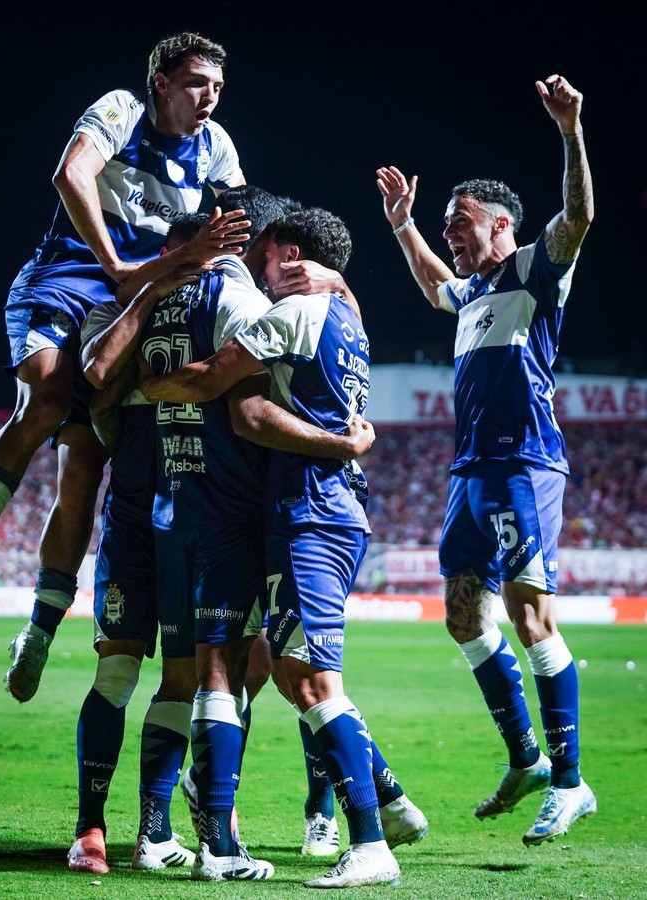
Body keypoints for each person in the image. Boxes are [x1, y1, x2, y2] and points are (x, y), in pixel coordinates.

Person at [0, 32, 247, 707]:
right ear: (161, 81)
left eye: (217, 87)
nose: (208, 98)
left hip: (131, 307)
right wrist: (117, 265)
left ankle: (40, 631)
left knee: (84, 465)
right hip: (68, 278)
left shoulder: (216, 147)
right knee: (45, 400)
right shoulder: (123, 110)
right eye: (196, 83)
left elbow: (245, 222)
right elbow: (71, 174)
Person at [139, 207, 429, 889]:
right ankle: (380, 809)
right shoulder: (349, 316)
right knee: (293, 670)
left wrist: (153, 384)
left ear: (289, 255)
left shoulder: (296, 313)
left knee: (309, 678)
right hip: (323, 510)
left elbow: (227, 392)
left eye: (265, 257)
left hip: (308, 511)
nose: (259, 275)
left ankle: (370, 837)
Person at [375, 74, 596, 847]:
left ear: (500, 223)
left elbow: (580, 216)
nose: (450, 235)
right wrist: (403, 227)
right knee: (464, 613)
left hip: (523, 466)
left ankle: (571, 784)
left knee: (533, 619)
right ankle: (527, 757)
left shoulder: (536, 271)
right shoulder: (470, 296)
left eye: (457, 222)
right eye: (445, 224)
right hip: (468, 474)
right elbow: (434, 281)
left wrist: (569, 131)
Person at [67, 210, 249, 875]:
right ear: (168, 252)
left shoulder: (214, 304)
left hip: (189, 514)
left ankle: (160, 827)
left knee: (192, 675)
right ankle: (89, 828)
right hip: (133, 513)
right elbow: (97, 380)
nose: (200, 264)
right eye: (190, 252)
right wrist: (150, 296)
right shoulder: (119, 307)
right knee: (117, 670)